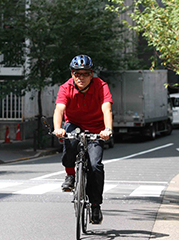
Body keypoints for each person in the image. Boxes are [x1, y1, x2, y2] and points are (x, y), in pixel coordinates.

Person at [53, 54, 113, 224]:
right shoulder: (66, 87)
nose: (81, 77)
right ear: (72, 74)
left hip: (96, 128)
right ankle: (70, 176)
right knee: (69, 144)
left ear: (91, 74)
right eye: (77, 73)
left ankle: (95, 205)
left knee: (95, 166)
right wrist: (58, 128)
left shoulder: (101, 86)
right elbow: (59, 109)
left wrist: (107, 129)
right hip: (74, 124)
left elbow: (106, 109)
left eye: (85, 73)